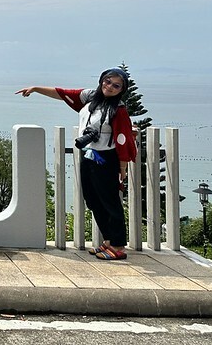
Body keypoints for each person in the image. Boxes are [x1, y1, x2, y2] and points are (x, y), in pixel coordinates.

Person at [15, 68, 137, 261]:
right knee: (92, 199)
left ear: (122, 90)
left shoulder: (119, 110)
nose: (110, 87)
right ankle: (108, 240)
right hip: (88, 155)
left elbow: (123, 139)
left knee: (110, 202)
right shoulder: (90, 97)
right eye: (107, 81)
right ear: (101, 80)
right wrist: (36, 89)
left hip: (107, 159)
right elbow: (62, 93)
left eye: (116, 85)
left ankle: (118, 246)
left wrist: (122, 168)